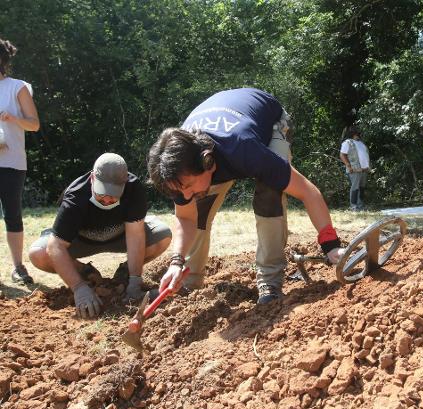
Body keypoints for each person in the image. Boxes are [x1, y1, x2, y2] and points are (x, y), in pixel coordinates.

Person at [147, 87, 344, 305]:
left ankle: (270, 281)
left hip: (271, 120)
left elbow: (307, 191)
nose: (185, 195)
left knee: (270, 192)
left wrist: (331, 245)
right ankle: (189, 281)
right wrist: (176, 262)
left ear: (208, 162)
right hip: (225, 122)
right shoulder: (178, 166)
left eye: (189, 186)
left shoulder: (244, 149)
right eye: (179, 190)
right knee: (199, 206)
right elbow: (186, 218)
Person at [29, 153, 172, 318]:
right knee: (38, 254)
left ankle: (124, 275)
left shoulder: (134, 188)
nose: (107, 199)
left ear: (124, 182)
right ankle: (86, 274)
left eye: (113, 194)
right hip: (81, 240)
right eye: (102, 193)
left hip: (119, 237)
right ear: (92, 178)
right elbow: (56, 246)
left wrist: (135, 281)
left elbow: (135, 235)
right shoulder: (75, 197)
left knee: (162, 235)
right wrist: (78, 288)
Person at [0, 38, 40, 284]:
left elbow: (34, 124)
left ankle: (18, 268)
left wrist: (13, 118)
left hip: (12, 162)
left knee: (12, 214)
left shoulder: (18, 88)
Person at [339, 126, 370, 211]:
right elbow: (342, 155)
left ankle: (360, 206)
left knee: (361, 188)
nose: (359, 134)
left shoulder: (361, 143)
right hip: (354, 169)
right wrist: (348, 165)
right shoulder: (347, 142)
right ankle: (353, 206)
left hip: (364, 169)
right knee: (355, 187)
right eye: (357, 133)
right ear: (353, 134)